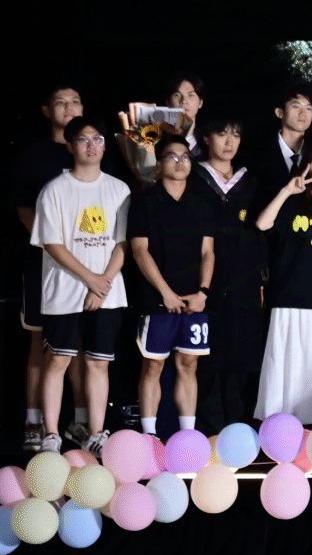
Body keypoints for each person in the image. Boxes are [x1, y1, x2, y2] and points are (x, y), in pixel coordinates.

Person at [30, 117, 130, 454]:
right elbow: (52, 243)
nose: (91, 146)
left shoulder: (119, 189)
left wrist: (103, 284)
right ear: (71, 145)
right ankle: (51, 433)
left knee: (98, 363)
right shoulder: (54, 190)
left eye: (97, 139)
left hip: (108, 294)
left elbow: (123, 243)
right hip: (65, 292)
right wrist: (91, 280)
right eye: (84, 140)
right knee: (58, 360)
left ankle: (96, 433)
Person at [125, 133, 213, 437]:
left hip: (194, 301)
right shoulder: (145, 202)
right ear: (159, 163)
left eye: (185, 156)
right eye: (172, 156)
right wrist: (165, 293)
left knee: (189, 364)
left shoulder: (201, 203)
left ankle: (188, 434)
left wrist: (203, 292)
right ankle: (149, 436)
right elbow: (139, 251)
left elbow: (208, 252)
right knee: (153, 366)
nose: (180, 162)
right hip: (156, 299)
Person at [253, 140, 312, 425]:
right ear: (306, 167)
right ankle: (280, 425)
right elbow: (262, 224)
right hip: (290, 295)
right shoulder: (294, 201)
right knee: (287, 364)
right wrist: (286, 191)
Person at [190, 114, 268, 430]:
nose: (229, 142)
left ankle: (238, 425)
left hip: (243, 277)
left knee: (241, 349)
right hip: (204, 276)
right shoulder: (193, 178)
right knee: (206, 352)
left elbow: (260, 235)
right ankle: (207, 426)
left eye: (235, 134)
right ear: (206, 138)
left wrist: (261, 281)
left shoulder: (251, 183)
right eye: (222, 133)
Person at [17, 86, 84, 450]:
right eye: (60, 102)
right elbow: (24, 209)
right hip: (43, 264)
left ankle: (80, 421)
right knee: (39, 342)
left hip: (86, 267)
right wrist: (53, 246)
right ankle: (33, 421)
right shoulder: (34, 155)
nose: (69, 107)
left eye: (75, 102)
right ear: (46, 110)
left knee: (79, 342)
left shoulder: (92, 153)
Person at [245, 88, 312, 201]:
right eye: (296, 106)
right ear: (280, 112)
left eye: (308, 108)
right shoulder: (257, 153)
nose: (303, 113)